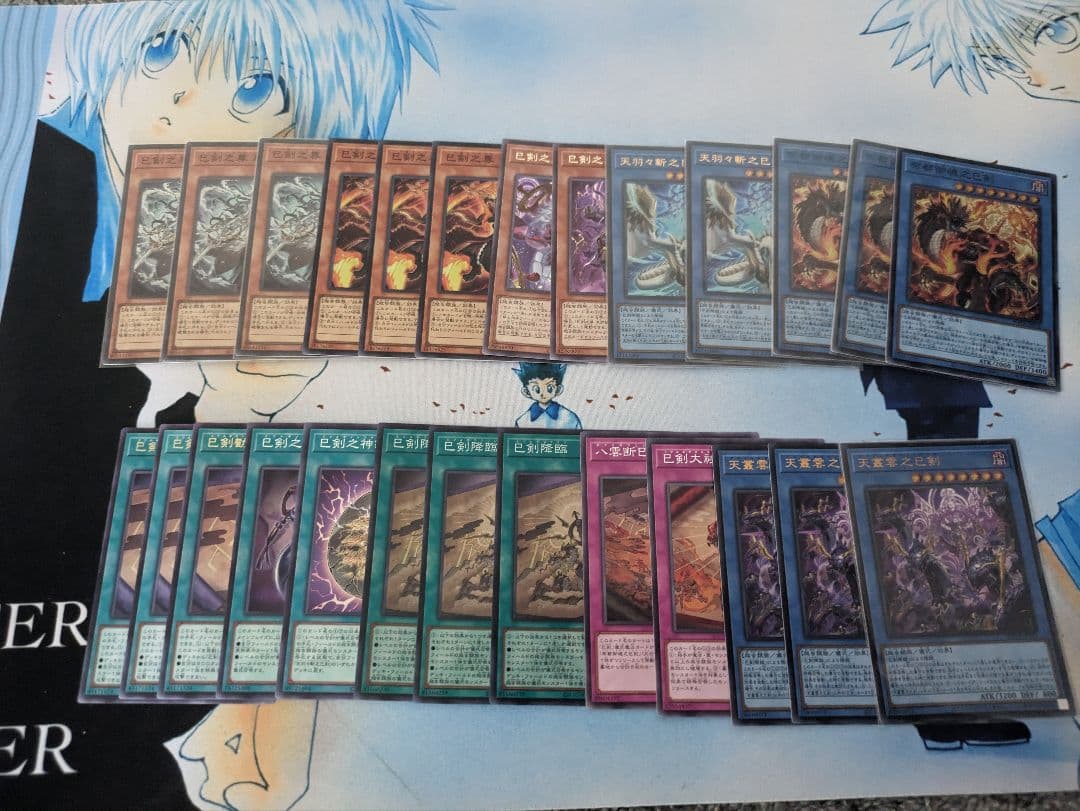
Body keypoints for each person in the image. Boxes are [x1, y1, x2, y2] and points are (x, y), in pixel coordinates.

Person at [512, 362, 583, 430]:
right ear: (526, 392)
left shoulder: (570, 417)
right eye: (537, 389)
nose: (543, 393)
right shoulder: (522, 421)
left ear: (558, 389)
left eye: (549, 388)